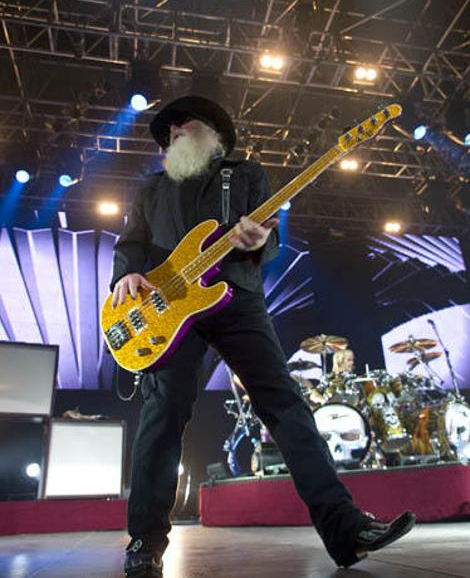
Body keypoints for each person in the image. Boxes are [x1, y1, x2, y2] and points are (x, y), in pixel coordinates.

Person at [110, 95, 415, 578]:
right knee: (162, 413)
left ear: (214, 134)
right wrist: (125, 275)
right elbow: (131, 244)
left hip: (236, 299)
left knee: (285, 405)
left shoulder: (244, 175)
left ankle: (346, 530)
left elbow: (267, 240)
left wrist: (260, 242)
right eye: (168, 130)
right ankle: (144, 543)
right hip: (165, 313)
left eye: (183, 124)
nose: (172, 132)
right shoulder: (151, 189)